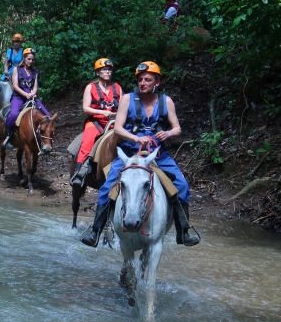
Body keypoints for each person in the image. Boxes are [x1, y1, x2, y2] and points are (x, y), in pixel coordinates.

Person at [80, 61, 200, 247]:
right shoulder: (127, 99)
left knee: (182, 185)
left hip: (158, 155)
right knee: (107, 187)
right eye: (140, 80)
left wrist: (167, 133)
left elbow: (177, 128)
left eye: (148, 80)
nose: (143, 83)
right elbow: (118, 129)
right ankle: (95, 230)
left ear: (156, 82)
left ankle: (183, 231)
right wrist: (136, 139)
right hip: (129, 155)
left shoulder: (166, 101)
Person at [70, 58, 121, 187]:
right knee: (87, 140)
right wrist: (102, 113)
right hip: (96, 122)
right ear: (98, 72)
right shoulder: (90, 87)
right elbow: (86, 108)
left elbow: (124, 105)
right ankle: (80, 171)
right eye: (104, 70)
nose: (107, 72)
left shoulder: (117, 87)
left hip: (115, 122)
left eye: (109, 70)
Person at [4, 47, 50, 132]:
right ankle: (7, 132)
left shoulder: (35, 71)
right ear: (24, 58)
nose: (30, 61)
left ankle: (44, 135)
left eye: (32, 59)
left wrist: (33, 93)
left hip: (32, 96)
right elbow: (15, 86)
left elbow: (35, 86)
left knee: (47, 115)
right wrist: (26, 95)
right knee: (14, 114)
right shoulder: (16, 69)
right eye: (29, 59)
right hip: (18, 97)